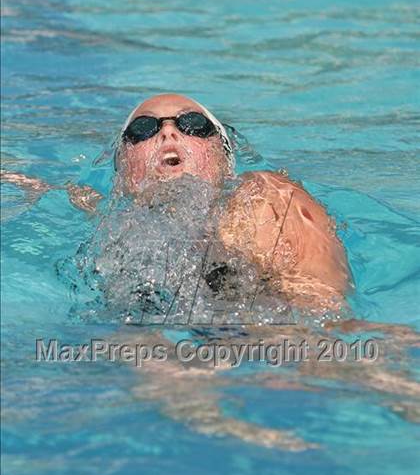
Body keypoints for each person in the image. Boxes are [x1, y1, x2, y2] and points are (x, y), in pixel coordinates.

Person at [1, 93, 350, 311]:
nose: (168, 132)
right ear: (123, 171)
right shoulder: (117, 217)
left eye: (193, 125)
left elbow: (323, 313)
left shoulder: (265, 197)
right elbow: (75, 197)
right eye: (143, 129)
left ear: (225, 161)